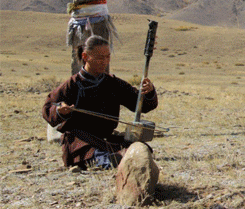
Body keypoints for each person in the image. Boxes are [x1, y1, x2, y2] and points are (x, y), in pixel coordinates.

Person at [42, 35, 158, 169]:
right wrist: (60, 111)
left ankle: (120, 158)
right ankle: (113, 160)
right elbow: (48, 108)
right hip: (81, 140)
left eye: (108, 56)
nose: (105, 61)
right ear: (85, 56)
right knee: (93, 153)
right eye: (100, 57)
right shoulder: (72, 85)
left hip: (105, 138)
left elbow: (139, 105)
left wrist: (148, 92)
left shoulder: (113, 83)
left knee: (142, 149)